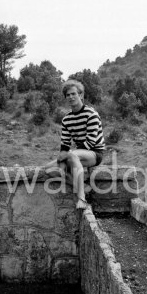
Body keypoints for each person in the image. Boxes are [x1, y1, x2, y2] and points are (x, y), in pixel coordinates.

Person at [44, 79, 104, 209]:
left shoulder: (91, 114)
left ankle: (81, 199)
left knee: (71, 156)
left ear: (81, 95)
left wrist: (69, 157)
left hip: (94, 153)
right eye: (68, 95)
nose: (71, 97)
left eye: (73, 94)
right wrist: (61, 161)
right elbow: (65, 145)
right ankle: (82, 186)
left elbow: (90, 142)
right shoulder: (66, 119)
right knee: (49, 168)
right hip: (76, 154)